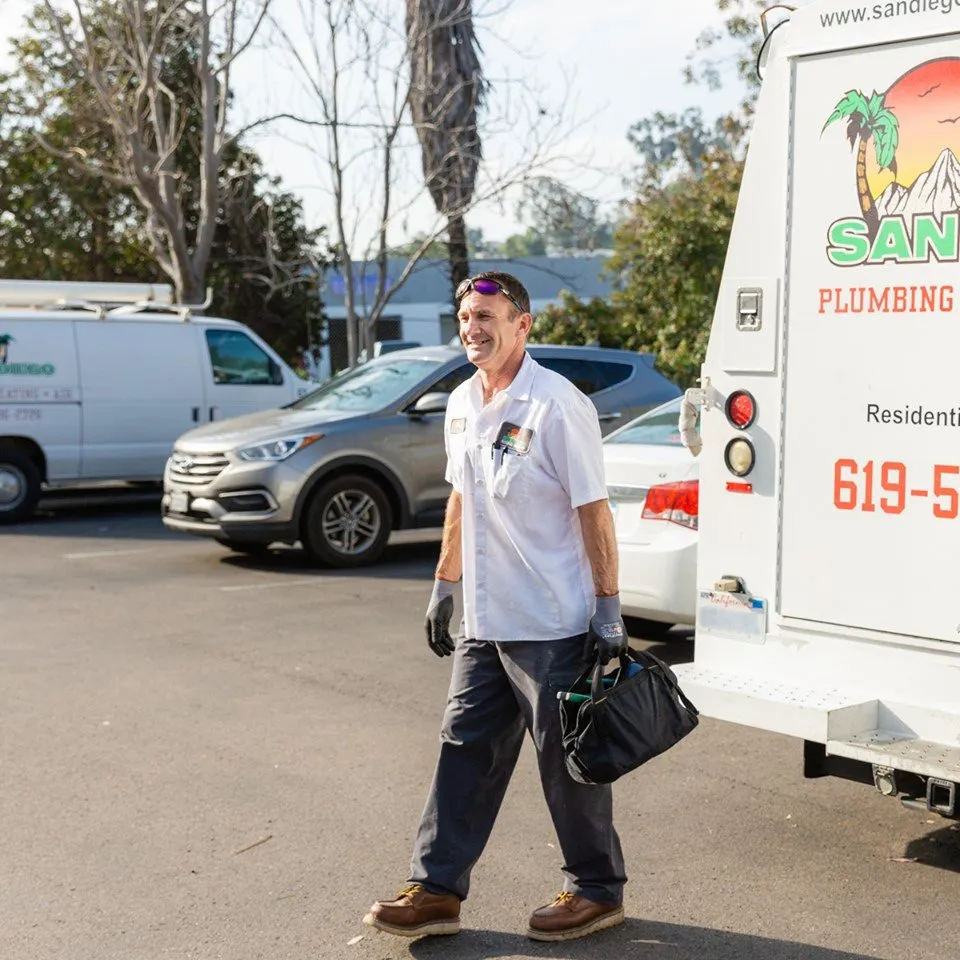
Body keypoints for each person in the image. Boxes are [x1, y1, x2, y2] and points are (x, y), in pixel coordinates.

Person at [362, 271, 629, 943]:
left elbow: (594, 513)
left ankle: (596, 890)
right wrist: (444, 584)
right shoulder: (460, 402)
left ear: (522, 325)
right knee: (462, 749)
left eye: (486, 315)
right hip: (485, 619)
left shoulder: (556, 404)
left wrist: (609, 608)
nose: (472, 326)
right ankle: (437, 889)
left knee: (563, 761)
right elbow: (461, 498)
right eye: (464, 316)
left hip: (551, 621)